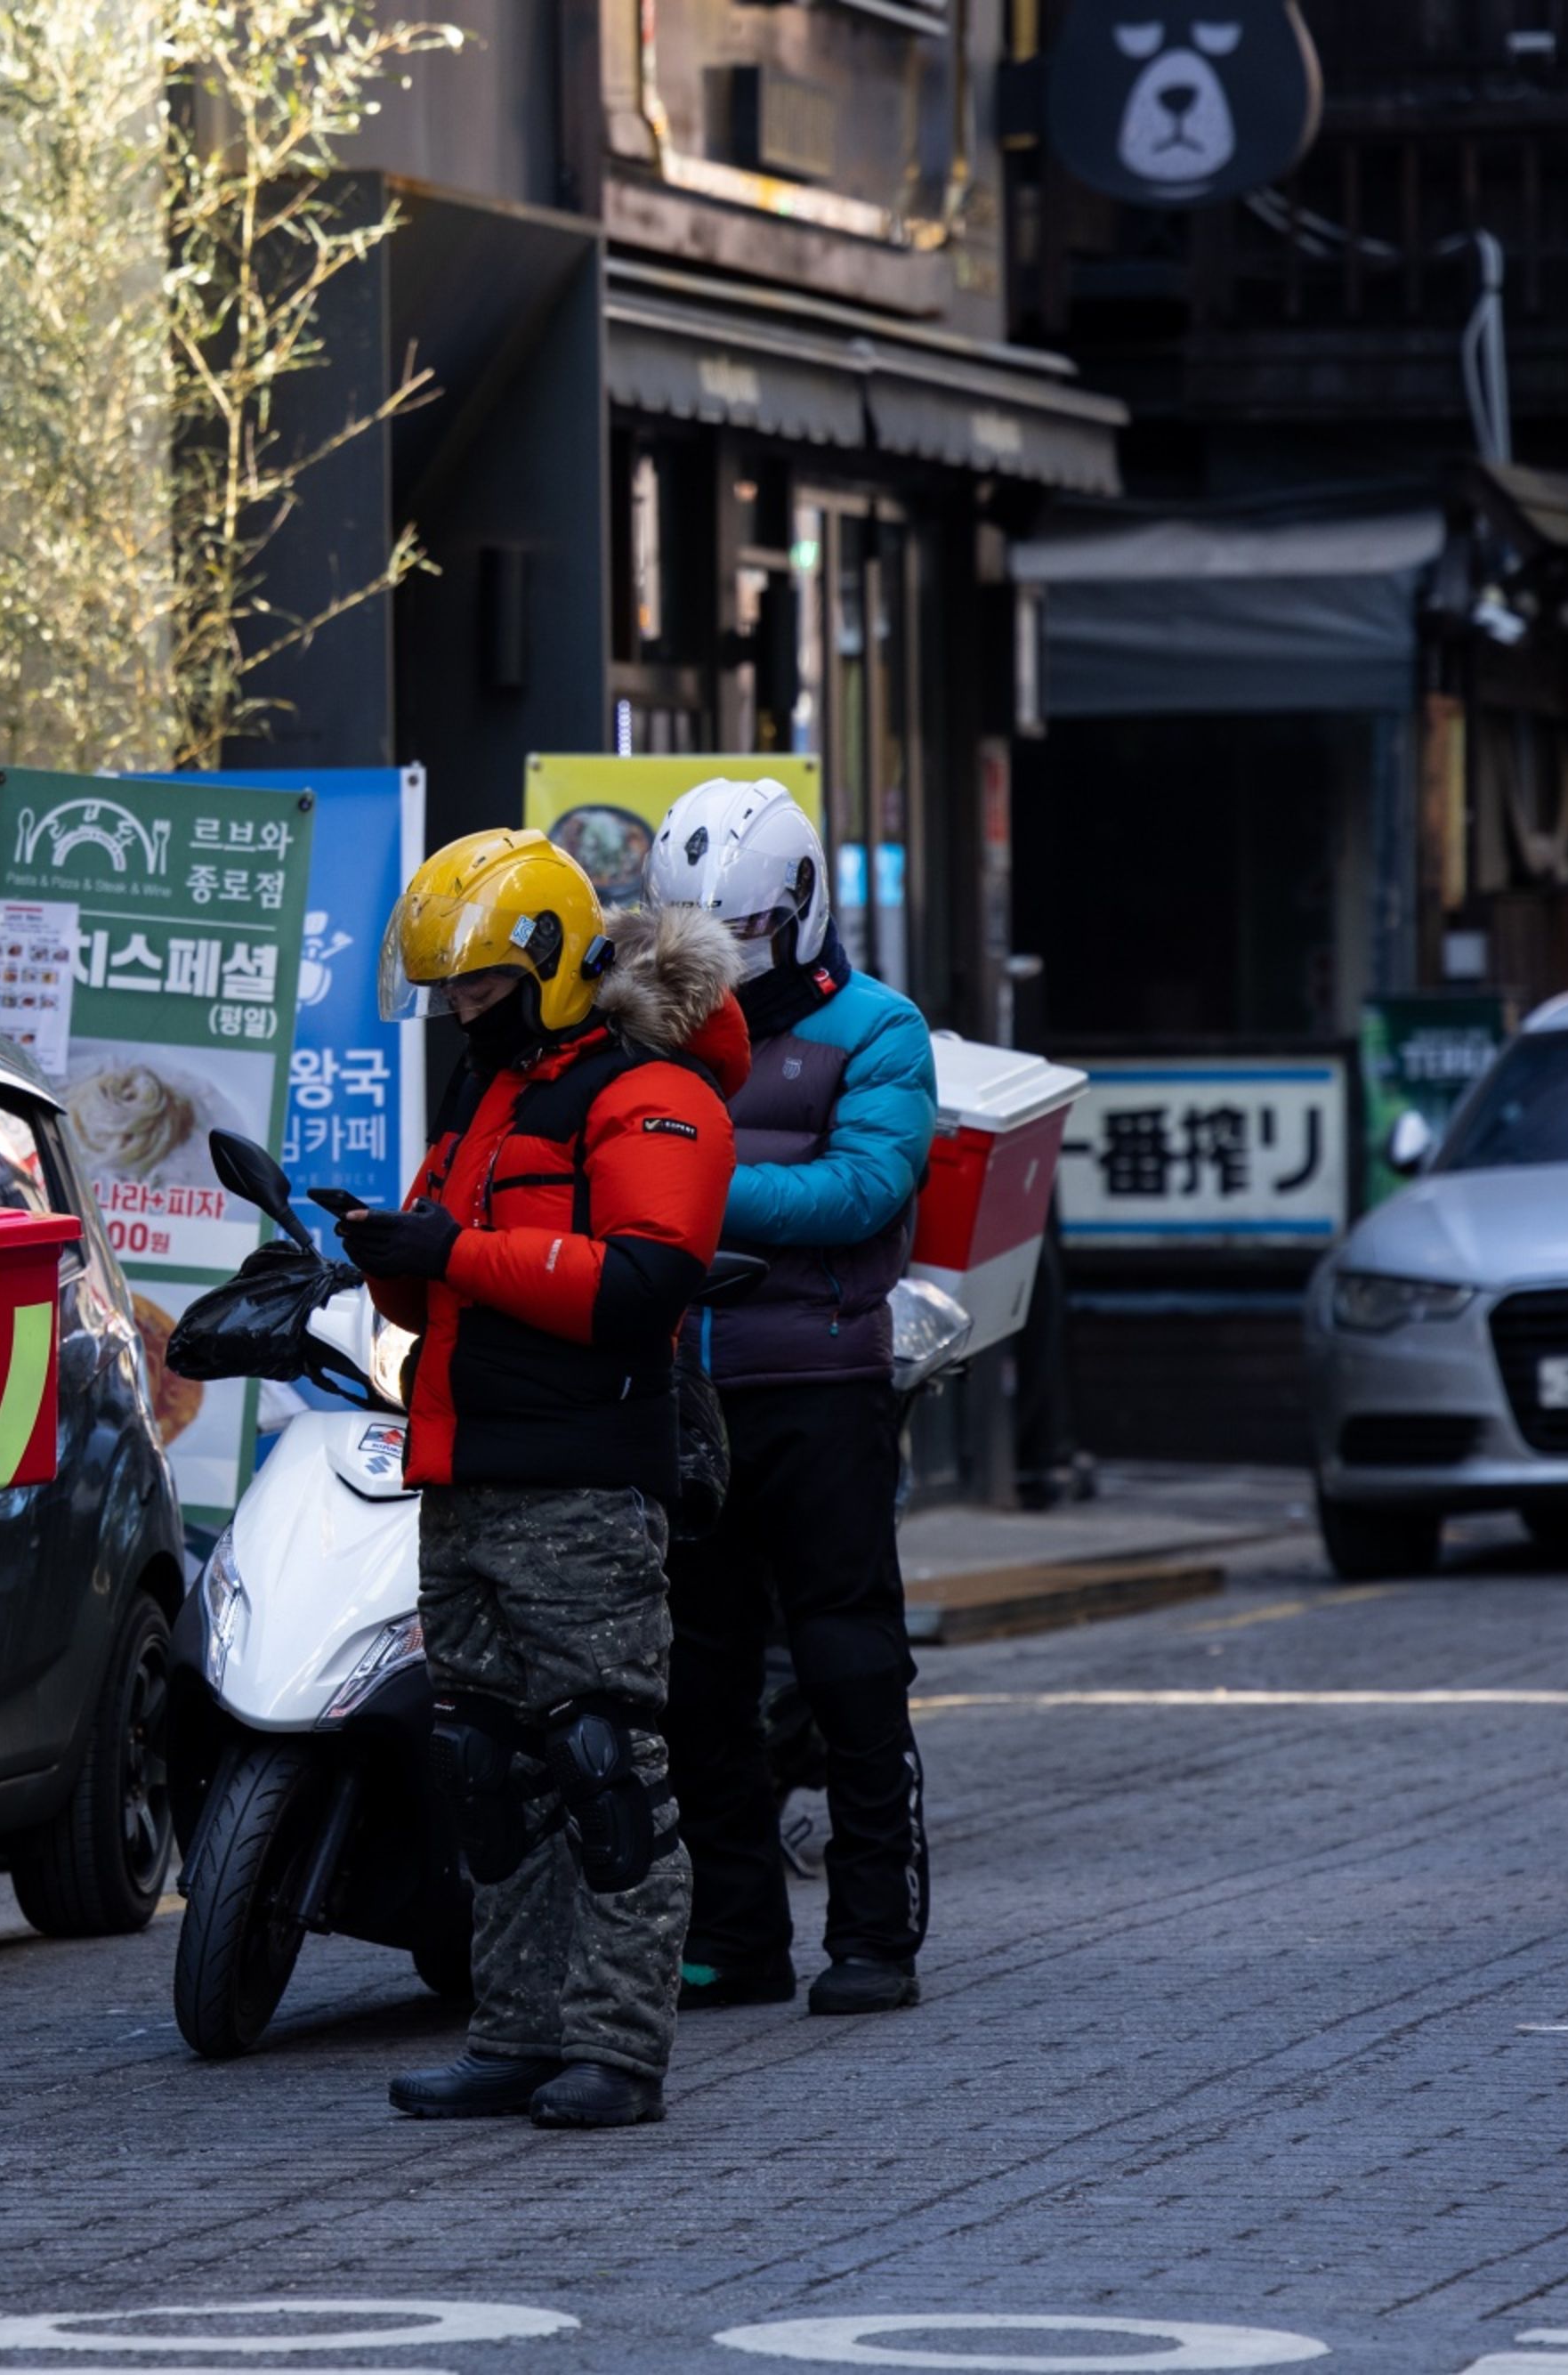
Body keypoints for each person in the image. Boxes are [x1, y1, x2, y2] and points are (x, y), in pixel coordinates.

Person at [341, 828, 746, 2131]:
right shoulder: (480, 1095)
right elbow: (437, 1267)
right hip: (463, 1470)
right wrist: (386, 1250)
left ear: (557, 964)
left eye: (482, 986)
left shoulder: (646, 1095)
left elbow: (643, 1285)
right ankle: (513, 2035)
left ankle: (619, 2050)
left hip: (581, 1481)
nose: (463, 1009)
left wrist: (448, 1252)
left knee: (601, 1765)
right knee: (490, 1767)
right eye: (449, 990)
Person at [642, 780, 938, 2017]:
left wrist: (681, 1192)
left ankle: (875, 1930)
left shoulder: (879, 1030)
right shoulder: (643, 1028)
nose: (720, 967)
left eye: (743, 939)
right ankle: (735, 1934)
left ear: (801, 910)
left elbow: (863, 1191)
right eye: (695, 942)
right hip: (680, 1388)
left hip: (820, 1381)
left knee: (847, 1660)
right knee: (695, 1676)